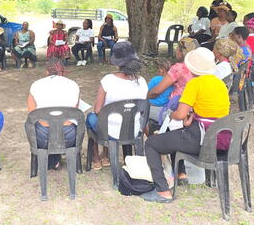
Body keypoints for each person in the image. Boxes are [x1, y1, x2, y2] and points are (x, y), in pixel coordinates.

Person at [143, 47, 230, 203]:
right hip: (221, 137)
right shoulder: (220, 84)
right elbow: (214, 111)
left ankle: (162, 191)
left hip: (201, 139)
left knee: (152, 143)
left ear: (191, 67)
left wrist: (172, 114)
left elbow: (180, 114)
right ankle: (180, 173)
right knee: (175, 136)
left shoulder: (194, 84)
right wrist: (193, 116)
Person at [86, 41, 147, 170]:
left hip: (111, 132)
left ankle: (96, 157)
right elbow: (142, 109)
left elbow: (97, 110)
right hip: (133, 129)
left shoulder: (108, 80)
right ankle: (106, 155)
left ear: (116, 61)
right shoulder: (142, 82)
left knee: (91, 117)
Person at [27, 58, 80, 169]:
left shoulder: (36, 85)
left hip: (43, 138)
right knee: (62, 123)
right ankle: (56, 158)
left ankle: (51, 159)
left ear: (46, 71)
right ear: (63, 71)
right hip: (69, 137)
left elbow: (32, 115)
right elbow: (75, 114)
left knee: (32, 124)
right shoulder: (73, 85)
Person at [146, 37, 198, 122]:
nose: (176, 51)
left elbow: (157, 91)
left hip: (176, 110)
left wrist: (145, 98)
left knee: (141, 112)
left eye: (177, 49)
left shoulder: (179, 68)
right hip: (193, 110)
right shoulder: (199, 68)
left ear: (181, 52)